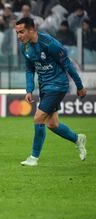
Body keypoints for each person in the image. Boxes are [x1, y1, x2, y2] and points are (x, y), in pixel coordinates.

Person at [14, 17, 87, 167]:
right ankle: (77, 138)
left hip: (58, 85)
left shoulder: (50, 43)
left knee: (38, 118)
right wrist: (29, 89)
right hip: (44, 86)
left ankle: (34, 158)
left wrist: (79, 86)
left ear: (32, 30)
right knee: (52, 124)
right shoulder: (25, 47)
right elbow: (29, 69)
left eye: (21, 32)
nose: (18, 36)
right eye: (17, 33)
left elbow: (68, 65)